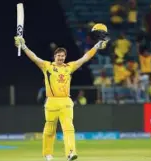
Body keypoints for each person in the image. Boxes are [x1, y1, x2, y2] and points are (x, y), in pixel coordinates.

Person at [14, 24, 109, 161]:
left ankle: (70, 153)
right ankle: (48, 154)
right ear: (54, 56)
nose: (61, 58)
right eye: (58, 56)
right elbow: (34, 57)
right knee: (49, 130)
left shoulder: (69, 67)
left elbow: (85, 58)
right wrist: (23, 46)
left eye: (63, 56)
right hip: (51, 101)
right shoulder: (47, 66)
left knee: (69, 128)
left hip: (65, 101)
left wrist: (97, 46)